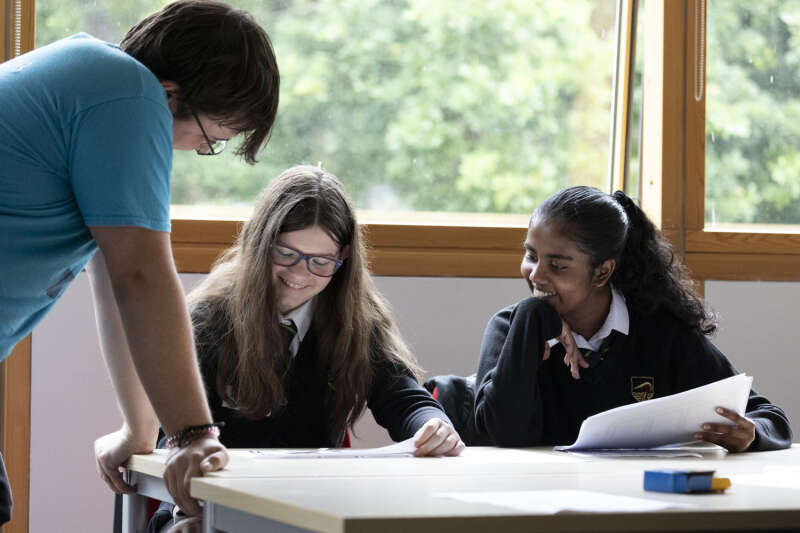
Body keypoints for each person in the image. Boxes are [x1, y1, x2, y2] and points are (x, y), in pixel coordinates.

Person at [0, 0, 280, 520]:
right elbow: (141, 274)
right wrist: (194, 434)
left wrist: (140, 428)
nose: (195, 151)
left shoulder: (87, 74)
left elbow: (115, 274)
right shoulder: (128, 94)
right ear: (170, 95)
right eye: (211, 139)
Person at [149, 165, 464, 532]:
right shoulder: (209, 318)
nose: (299, 275)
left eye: (321, 262)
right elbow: (173, 439)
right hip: (208, 508)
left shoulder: (355, 319)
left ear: (343, 259)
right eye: (286, 254)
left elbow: (403, 399)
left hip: (306, 510)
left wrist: (434, 426)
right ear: (259, 243)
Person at [475, 186, 793, 451]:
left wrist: (751, 433)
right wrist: (531, 317)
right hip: (545, 497)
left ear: (602, 272)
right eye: (531, 256)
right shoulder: (510, 327)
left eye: (557, 266)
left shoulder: (661, 333)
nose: (536, 275)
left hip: (645, 496)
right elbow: (506, 434)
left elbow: (769, 417)